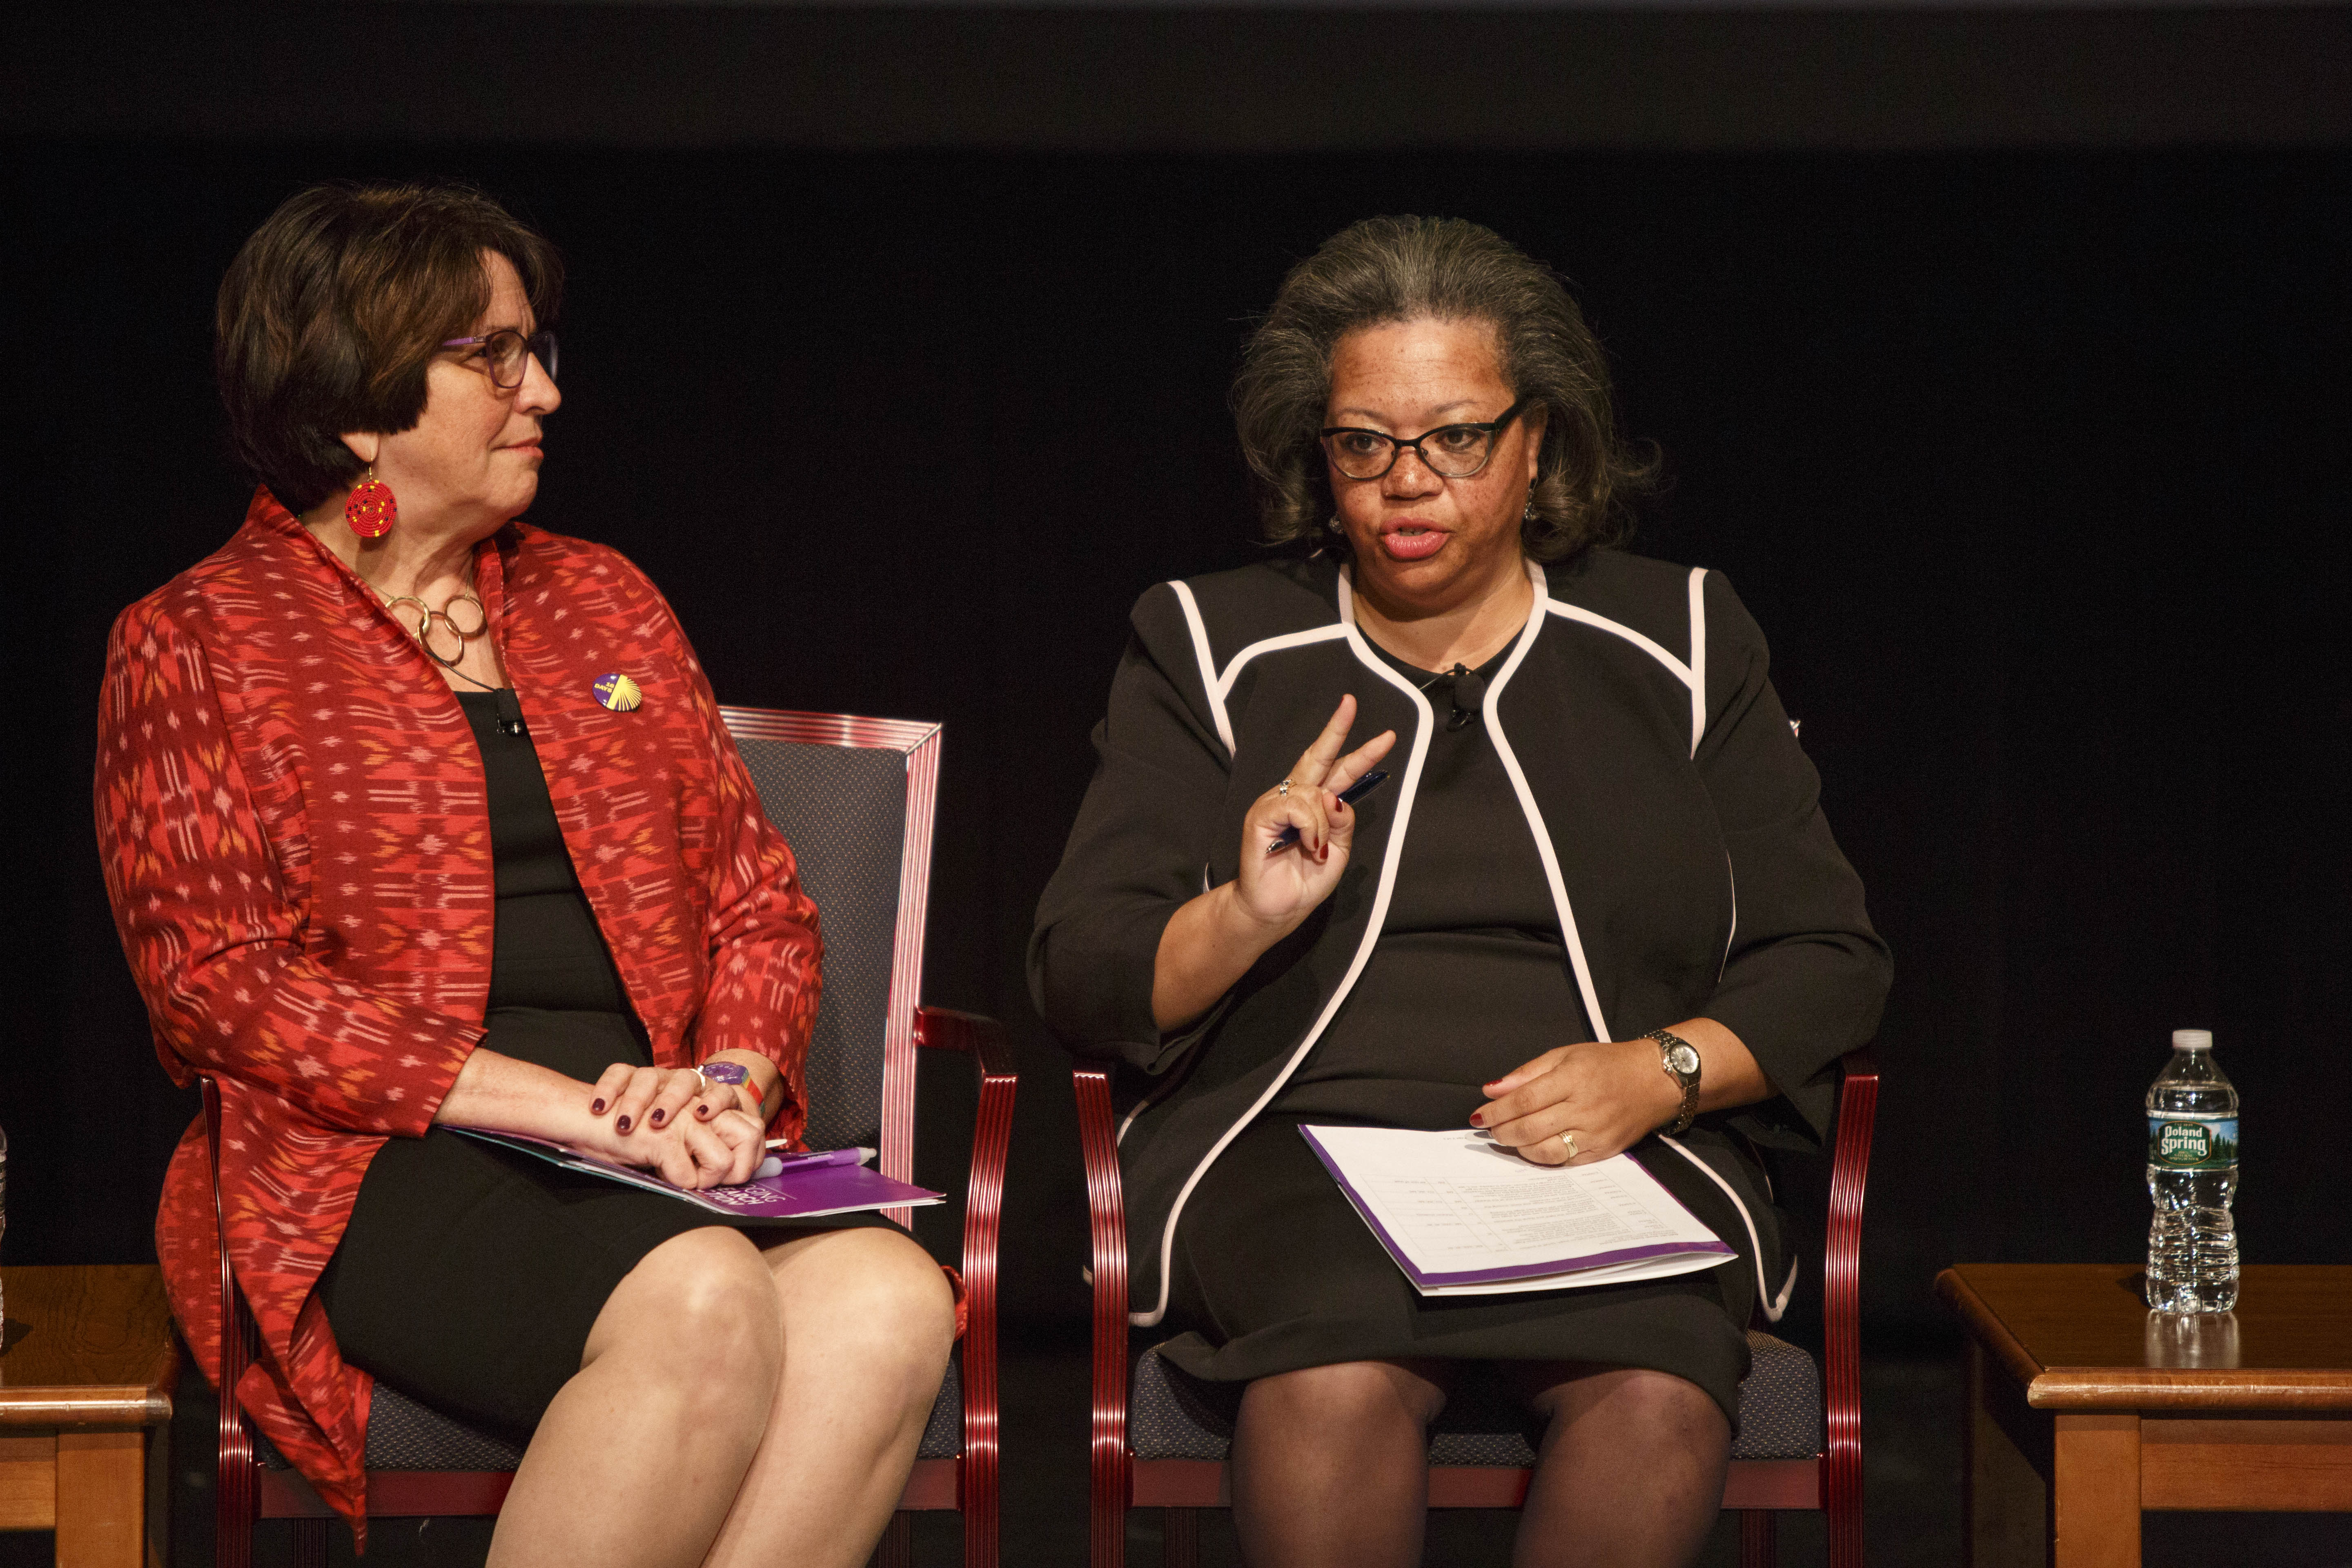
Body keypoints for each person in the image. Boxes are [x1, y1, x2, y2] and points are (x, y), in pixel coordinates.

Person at [95, 181, 955, 1567]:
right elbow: (219, 989)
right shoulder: (199, 639)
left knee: (888, 1300)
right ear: (358, 401)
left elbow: (756, 900)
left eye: (539, 349)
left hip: (647, 1139)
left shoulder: (600, 599)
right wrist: (574, 1115)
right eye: (492, 356)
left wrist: (730, 1086)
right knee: (701, 1299)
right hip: (384, 1157)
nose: (542, 391)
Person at [1030, 215, 1891, 1568]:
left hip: (1620, 1154)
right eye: (1362, 442)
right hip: (1296, 1156)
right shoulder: (1213, 640)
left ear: (1537, 439)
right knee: (1329, 1377)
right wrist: (1244, 914)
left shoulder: (1677, 637)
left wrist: (1656, 1073)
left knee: (1659, 1397)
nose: (1403, 483)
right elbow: (1083, 967)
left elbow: (1828, 955)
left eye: (1454, 437)